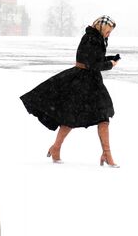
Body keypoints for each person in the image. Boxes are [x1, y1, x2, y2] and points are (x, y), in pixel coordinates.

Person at [20, 15, 121, 167]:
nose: (108, 35)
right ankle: (56, 148)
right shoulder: (90, 39)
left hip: (92, 83)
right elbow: (91, 63)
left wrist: (109, 59)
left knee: (103, 117)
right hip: (82, 83)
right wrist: (110, 65)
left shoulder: (95, 38)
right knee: (70, 118)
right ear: (102, 28)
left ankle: (106, 154)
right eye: (108, 32)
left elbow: (94, 59)